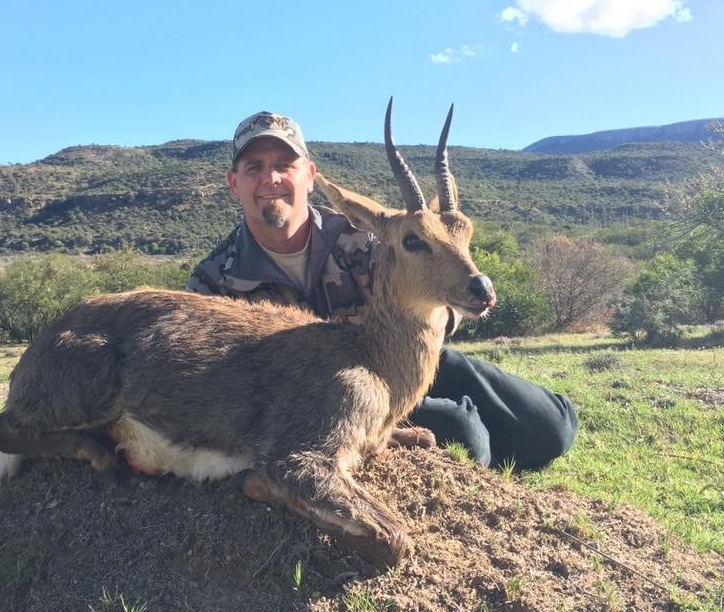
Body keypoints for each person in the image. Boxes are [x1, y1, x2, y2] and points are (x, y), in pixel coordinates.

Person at [186, 110, 577, 470]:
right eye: (255, 167)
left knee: (553, 428)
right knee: (460, 431)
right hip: (343, 400)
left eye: (284, 165)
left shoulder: (365, 238)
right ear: (233, 183)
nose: (271, 178)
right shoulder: (213, 281)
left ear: (309, 174)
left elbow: (438, 282)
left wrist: (445, 310)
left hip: (412, 360)